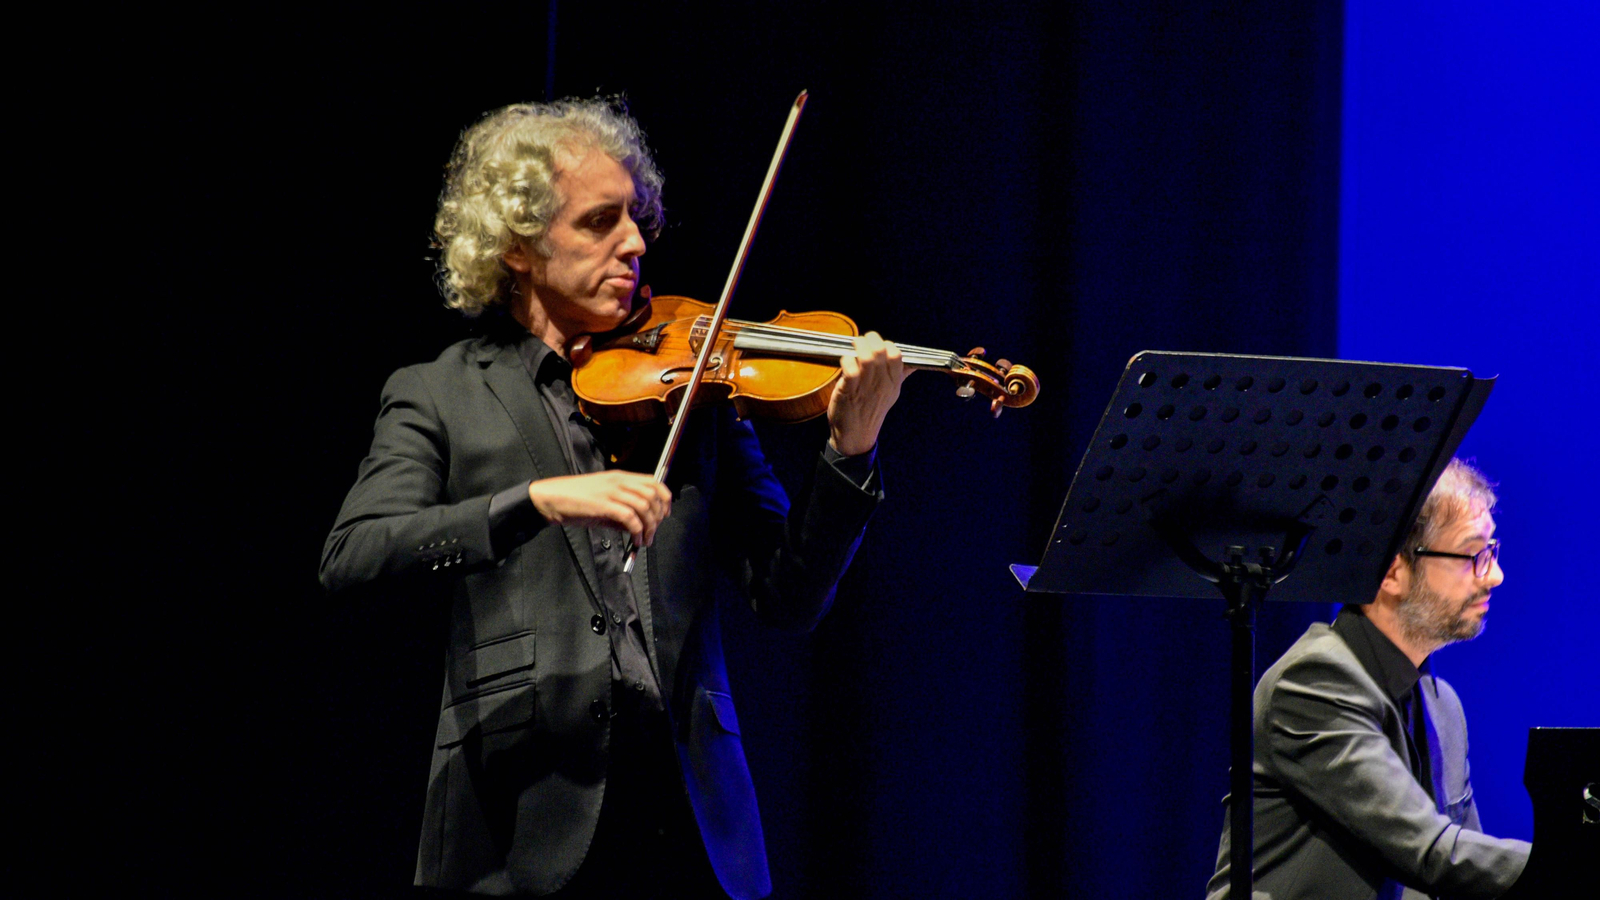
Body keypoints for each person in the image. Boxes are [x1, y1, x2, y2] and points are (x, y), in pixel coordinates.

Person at [320, 99, 905, 899]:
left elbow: (788, 595)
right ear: (518, 245)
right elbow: (354, 554)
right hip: (513, 821)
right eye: (600, 221)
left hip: (689, 820)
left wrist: (849, 451)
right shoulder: (439, 392)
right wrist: (536, 500)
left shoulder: (693, 394)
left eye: (636, 218)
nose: (634, 242)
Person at [1205, 458, 1531, 900]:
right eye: (1473, 554)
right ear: (1393, 571)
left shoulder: (1443, 705)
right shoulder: (1313, 683)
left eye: (1491, 550)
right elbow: (1429, 850)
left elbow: (1468, 879)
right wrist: (1578, 862)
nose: (1494, 575)